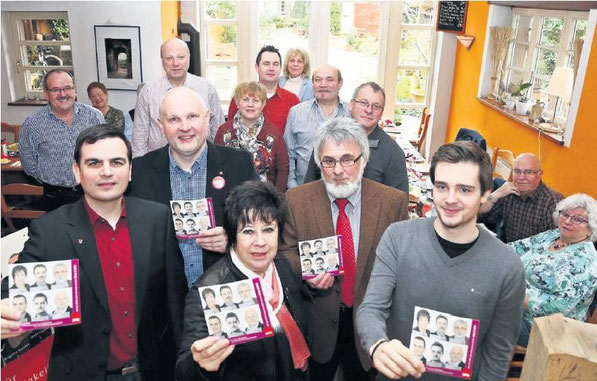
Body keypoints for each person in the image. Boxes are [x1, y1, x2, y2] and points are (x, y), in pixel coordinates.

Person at [1, 125, 187, 381]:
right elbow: (10, 295)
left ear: (130, 170)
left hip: (153, 371)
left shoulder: (158, 218)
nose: (107, 172)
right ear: (77, 171)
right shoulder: (49, 231)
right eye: (94, 163)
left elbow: (175, 298)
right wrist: (8, 317)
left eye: (117, 162)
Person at [357, 141, 526, 380]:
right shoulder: (398, 237)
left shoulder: (508, 267)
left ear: (486, 193)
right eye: (442, 187)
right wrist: (377, 345)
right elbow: (371, 308)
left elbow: (498, 353)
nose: (450, 199)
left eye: (464, 190)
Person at [280, 117, 409, 380]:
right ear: (319, 164)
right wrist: (308, 273)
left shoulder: (392, 202)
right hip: (317, 321)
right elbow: (285, 253)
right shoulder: (296, 200)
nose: (338, 170)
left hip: (371, 327)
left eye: (347, 159)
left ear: (363, 160)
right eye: (329, 161)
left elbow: (402, 264)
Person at [175, 181, 309, 380]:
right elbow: (184, 369)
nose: (260, 242)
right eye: (248, 231)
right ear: (231, 236)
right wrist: (200, 364)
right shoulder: (209, 290)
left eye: (268, 229)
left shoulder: (281, 265)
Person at [129, 87, 258, 287]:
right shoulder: (139, 172)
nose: (185, 127)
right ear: (160, 125)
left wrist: (235, 241)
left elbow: (264, 225)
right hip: (164, 301)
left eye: (192, 116)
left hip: (225, 297)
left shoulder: (240, 165)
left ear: (207, 118)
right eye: (174, 119)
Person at [509, 193, 597, 347]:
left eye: (577, 219)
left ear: (591, 228)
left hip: (544, 328)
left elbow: (557, 307)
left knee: (484, 312)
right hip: (514, 305)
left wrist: (511, 296)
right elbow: (514, 249)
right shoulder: (554, 235)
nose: (567, 221)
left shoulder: (585, 261)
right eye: (565, 214)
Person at [19, 69, 104, 210]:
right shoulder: (32, 125)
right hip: (55, 197)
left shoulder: (94, 116)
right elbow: (29, 165)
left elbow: (105, 151)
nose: (63, 94)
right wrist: (51, 180)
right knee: (60, 232)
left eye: (67, 88)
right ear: (46, 93)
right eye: (55, 90)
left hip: (94, 191)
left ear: (74, 89)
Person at [303, 82, 409, 195]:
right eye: (364, 103)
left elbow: (398, 203)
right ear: (351, 105)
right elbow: (309, 190)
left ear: (381, 113)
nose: (369, 110)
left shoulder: (393, 153)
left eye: (376, 106)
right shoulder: (327, 139)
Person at [132, 37, 224, 156]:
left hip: (202, 162)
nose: (175, 63)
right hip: (158, 165)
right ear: (162, 60)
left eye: (181, 57)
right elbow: (139, 136)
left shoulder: (206, 88)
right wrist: (141, 169)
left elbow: (219, 130)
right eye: (169, 58)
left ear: (188, 58)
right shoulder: (148, 92)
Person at [214, 81, 289, 192]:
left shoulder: (274, 133)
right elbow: (216, 166)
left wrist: (277, 199)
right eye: (245, 100)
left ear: (263, 104)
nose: (250, 105)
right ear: (237, 103)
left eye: (256, 101)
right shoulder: (224, 132)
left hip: (265, 199)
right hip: (230, 197)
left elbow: (283, 169)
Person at [284, 64, 350, 188]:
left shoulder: (351, 113)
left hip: (343, 190)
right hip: (304, 189)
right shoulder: (296, 113)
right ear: (312, 83)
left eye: (329, 79)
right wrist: (293, 186)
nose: (323, 84)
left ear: (340, 84)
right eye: (318, 80)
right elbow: (288, 154)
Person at [479, 153, 564, 242]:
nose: (521, 177)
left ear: (539, 174)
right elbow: (480, 217)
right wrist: (496, 194)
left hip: (533, 254)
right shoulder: (508, 192)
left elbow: (554, 243)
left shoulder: (552, 202)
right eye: (517, 171)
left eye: (528, 172)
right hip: (508, 248)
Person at [227, 45, 300, 133]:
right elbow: (229, 132)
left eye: (275, 64)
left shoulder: (292, 101)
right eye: (266, 64)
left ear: (280, 68)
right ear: (257, 67)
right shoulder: (240, 98)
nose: (271, 68)